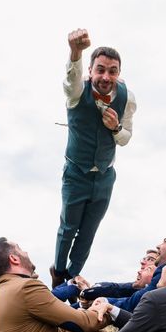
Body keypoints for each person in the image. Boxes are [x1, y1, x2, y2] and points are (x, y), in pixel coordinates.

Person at [52, 28, 137, 287]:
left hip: (105, 176)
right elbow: (70, 79)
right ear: (91, 71)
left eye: (112, 71)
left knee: (88, 232)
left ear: (118, 74)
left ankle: (70, 278)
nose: (106, 76)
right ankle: (57, 272)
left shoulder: (127, 99)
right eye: (100, 69)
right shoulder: (78, 92)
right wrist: (76, 52)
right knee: (69, 227)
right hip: (76, 173)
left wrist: (115, 128)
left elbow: (126, 137)